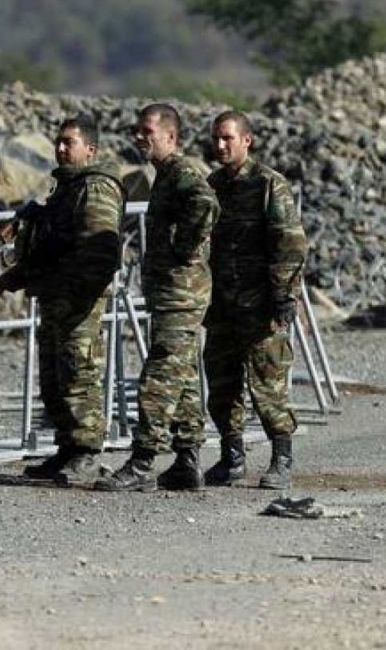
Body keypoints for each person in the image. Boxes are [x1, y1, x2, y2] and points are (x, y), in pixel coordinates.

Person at [0, 115, 125, 486]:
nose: (61, 149)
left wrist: (78, 295)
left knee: (78, 374)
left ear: (90, 149)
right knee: (54, 377)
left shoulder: (95, 188)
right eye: (59, 142)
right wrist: (15, 277)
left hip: (76, 301)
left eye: (70, 142)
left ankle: (86, 450)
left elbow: (101, 252)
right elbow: (50, 246)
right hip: (57, 298)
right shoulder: (67, 188)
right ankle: (67, 448)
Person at [97, 103, 218, 492]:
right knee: (180, 378)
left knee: (160, 375)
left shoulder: (182, 173)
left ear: (170, 136)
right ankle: (187, 460)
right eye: (137, 130)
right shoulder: (165, 176)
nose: (139, 137)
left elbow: (206, 204)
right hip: (171, 294)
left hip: (181, 295)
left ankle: (142, 460)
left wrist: (184, 247)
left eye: (147, 130)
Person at [202, 111, 307, 489]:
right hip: (222, 305)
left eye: (228, 138)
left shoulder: (267, 184)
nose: (220, 145)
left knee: (267, 384)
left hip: (260, 304)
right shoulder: (213, 185)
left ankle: (281, 459)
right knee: (222, 385)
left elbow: (289, 242)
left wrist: (283, 294)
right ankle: (231, 458)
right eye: (216, 138)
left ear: (247, 140)